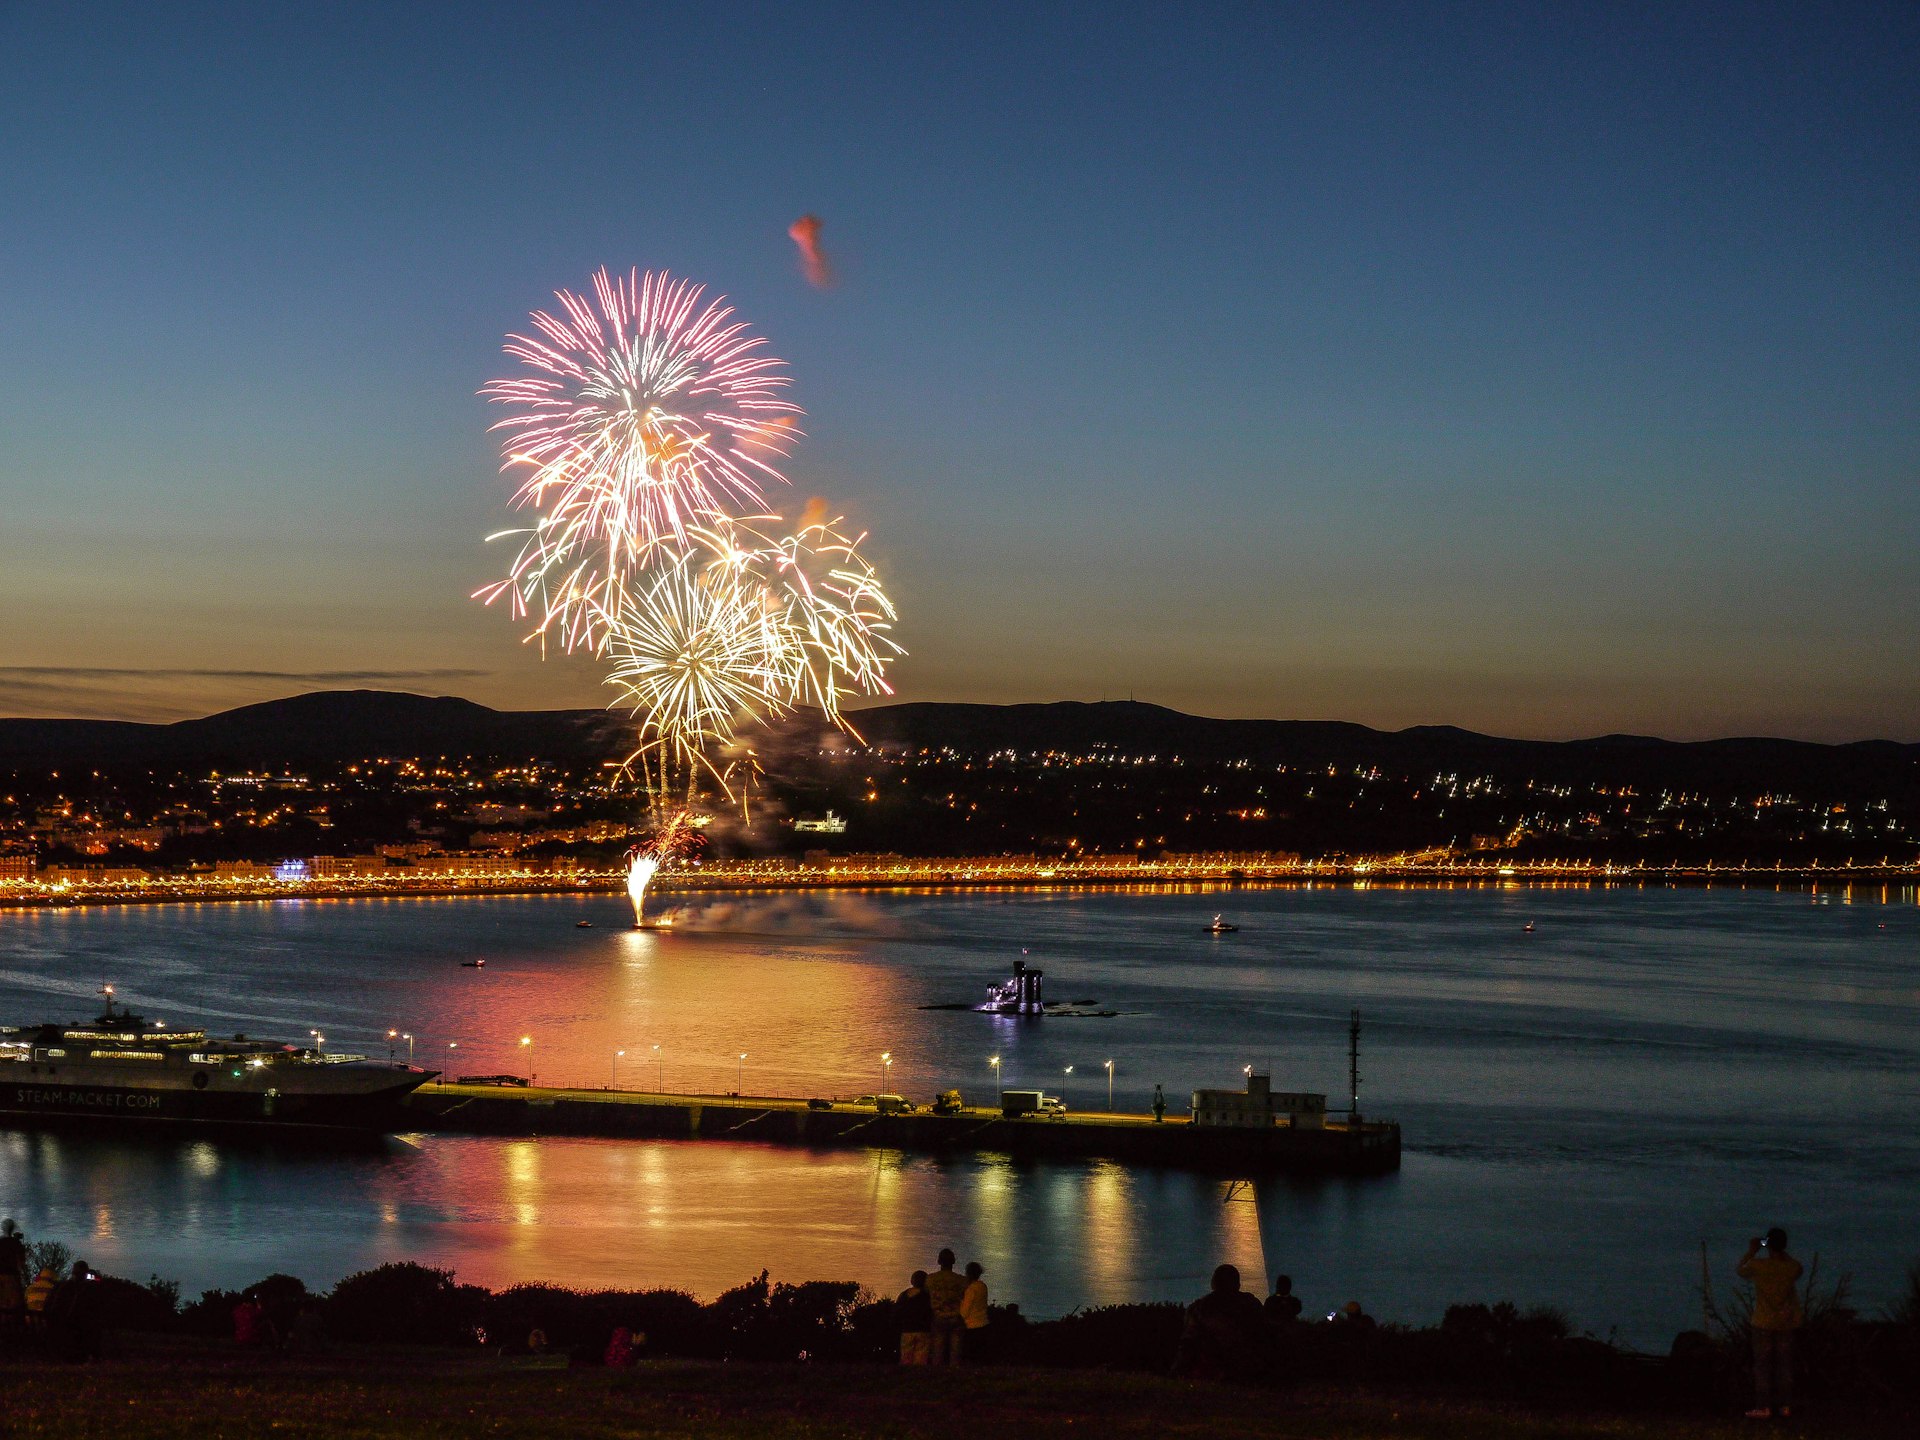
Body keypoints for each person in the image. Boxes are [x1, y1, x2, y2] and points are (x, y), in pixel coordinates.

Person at [1737, 1229, 1803, 1419]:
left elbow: (1740, 1269)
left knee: (1763, 1367)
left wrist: (1753, 1250)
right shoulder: (1791, 1268)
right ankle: (1785, 1408)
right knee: (1785, 1366)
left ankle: (1763, 1408)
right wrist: (1779, 1250)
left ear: (1768, 1245)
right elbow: (1797, 1267)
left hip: (1762, 1323)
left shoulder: (1759, 1266)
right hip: (1785, 1323)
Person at [1174, 1263, 1266, 1380]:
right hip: (1247, 1368)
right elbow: (1263, 1333)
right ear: (1238, 1284)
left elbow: (1188, 1343)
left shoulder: (1199, 1308)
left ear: (1213, 1283)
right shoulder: (1251, 1304)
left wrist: (1177, 1370)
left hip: (1211, 1369)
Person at [925, 1248, 969, 1365]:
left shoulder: (930, 1279)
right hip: (956, 1317)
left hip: (937, 1316)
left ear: (939, 1262)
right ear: (953, 1262)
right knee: (956, 1351)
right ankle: (955, 1375)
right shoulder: (962, 1280)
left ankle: (937, 1377)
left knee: (937, 1351)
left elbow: (926, 1295)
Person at [896, 1270, 932, 1365]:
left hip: (907, 1330)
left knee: (906, 1358)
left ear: (912, 1281)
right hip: (923, 1331)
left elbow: (897, 1312)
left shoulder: (903, 1295)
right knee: (921, 1359)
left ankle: (906, 1377)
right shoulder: (927, 1296)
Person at [960, 1261, 990, 1361]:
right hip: (984, 1323)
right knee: (980, 1356)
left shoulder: (971, 1290)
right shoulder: (983, 1286)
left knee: (970, 1356)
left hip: (972, 1326)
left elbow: (964, 1311)